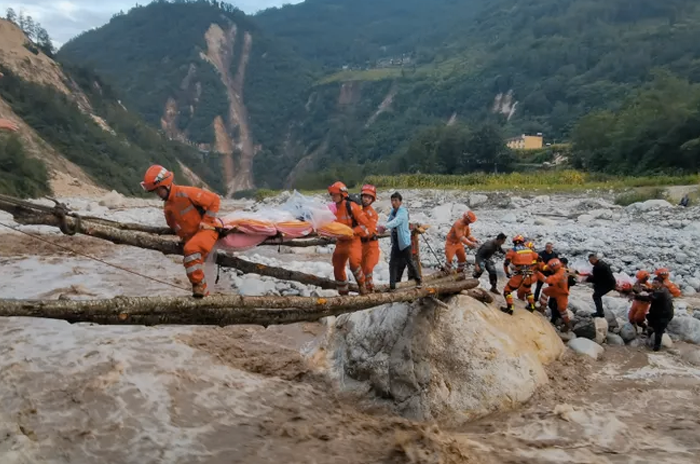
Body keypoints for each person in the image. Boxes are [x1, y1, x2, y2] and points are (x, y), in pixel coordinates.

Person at [141, 165, 221, 298]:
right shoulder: (168, 207)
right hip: (193, 236)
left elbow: (215, 200)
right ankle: (205, 295)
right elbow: (173, 225)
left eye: (157, 191)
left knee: (190, 250)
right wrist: (183, 237)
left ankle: (198, 286)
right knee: (190, 256)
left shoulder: (186, 192)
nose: (157, 194)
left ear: (165, 185)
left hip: (207, 230)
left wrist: (206, 221)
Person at [328, 181, 372, 296]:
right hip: (341, 242)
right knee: (337, 266)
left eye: (335, 194)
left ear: (342, 195)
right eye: (332, 194)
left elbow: (365, 224)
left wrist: (353, 231)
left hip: (353, 240)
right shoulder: (332, 209)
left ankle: (362, 286)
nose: (333, 197)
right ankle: (343, 294)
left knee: (354, 263)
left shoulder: (351, 206)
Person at [381, 192, 421, 290]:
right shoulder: (393, 212)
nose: (393, 203)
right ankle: (392, 284)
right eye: (392, 200)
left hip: (404, 243)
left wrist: (385, 226)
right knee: (393, 263)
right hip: (396, 242)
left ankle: (418, 280)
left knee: (409, 262)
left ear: (400, 202)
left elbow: (396, 221)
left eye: (395, 201)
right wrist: (381, 227)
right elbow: (390, 221)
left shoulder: (402, 212)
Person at [501, 234, 538, 314]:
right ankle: (531, 306)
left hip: (519, 274)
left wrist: (507, 273)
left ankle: (510, 307)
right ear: (523, 242)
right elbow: (539, 258)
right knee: (527, 290)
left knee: (507, 291)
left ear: (514, 243)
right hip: (529, 273)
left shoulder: (512, 251)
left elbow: (506, 263)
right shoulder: (529, 250)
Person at [638, 277, 674, 351]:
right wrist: (647, 289)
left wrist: (635, 296)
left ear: (661, 284)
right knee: (650, 322)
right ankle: (650, 339)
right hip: (657, 313)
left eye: (656, 283)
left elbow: (648, 298)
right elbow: (654, 291)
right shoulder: (662, 289)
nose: (653, 284)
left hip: (663, 316)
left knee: (658, 332)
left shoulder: (661, 292)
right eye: (653, 282)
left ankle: (656, 349)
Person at [539, 258, 572, 332]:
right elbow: (546, 267)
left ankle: (567, 324)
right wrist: (540, 263)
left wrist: (538, 274)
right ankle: (542, 308)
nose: (550, 269)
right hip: (556, 288)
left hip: (562, 293)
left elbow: (548, 280)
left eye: (551, 268)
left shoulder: (560, 274)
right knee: (545, 292)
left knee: (562, 309)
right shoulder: (560, 268)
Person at [359, 184, 380, 292]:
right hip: (360, 245)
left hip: (371, 245)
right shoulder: (356, 209)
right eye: (364, 196)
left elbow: (370, 230)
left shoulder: (373, 214)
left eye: (369, 197)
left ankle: (370, 290)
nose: (366, 199)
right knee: (361, 271)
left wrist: (357, 231)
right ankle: (364, 291)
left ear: (372, 199)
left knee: (368, 268)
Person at [585, 253, 617, 318]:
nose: (590, 263)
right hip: (608, 282)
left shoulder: (597, 267)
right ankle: (600, 311)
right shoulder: (601, 263)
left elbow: (596, 279)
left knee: (596, 296)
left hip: (608, 284)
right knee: (596, 291)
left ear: (595, 259)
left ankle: (599, 313)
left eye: (591, 261)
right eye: (589, 261)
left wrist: (586, 279)